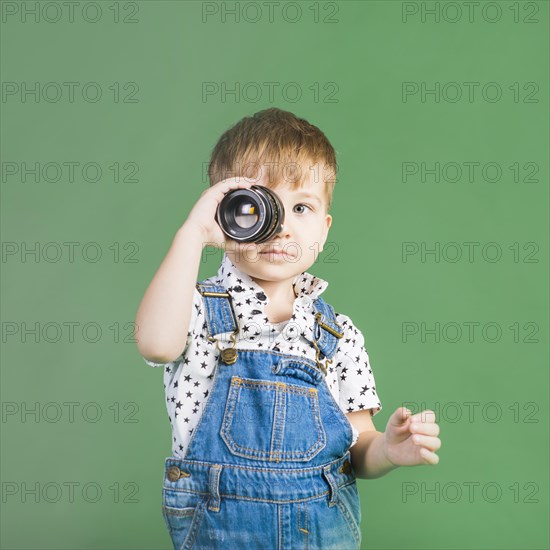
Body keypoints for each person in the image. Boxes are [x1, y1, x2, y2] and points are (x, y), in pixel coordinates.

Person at [135, 107, 441, 549]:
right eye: (260, 205)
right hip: (221, 530)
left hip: (321, 531)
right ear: (225, 214)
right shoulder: (195, 307)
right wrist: (192, 234)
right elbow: (156, 343)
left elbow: (358, 446)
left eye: (301, 207)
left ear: (325, 226)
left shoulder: (338, 335)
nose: (281, 227)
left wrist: (389, 451)